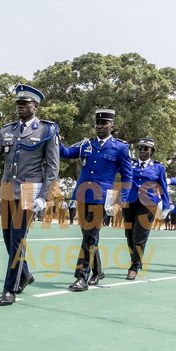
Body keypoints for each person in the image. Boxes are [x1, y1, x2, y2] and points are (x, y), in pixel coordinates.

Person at [0, 84, 60, 305]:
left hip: (30, 192)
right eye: (18, 103)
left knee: (18, 239)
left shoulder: (47, 130)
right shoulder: (8, 130)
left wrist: (44, 196)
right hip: (8, 190)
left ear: (35, 106)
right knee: (8, 238)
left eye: (25, 104)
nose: (20, 107)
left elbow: (52, 168)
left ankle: (10, 289)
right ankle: (24, 274)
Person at [60, 109, 132, 291]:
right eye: (98, 124)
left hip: (102, 198)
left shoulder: (120, 147)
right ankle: (98, 271)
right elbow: (66, 153)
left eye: (104, 124)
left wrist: (119, 201)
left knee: (89, 237)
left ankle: (81, 277)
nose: (100, 126)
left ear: (111, 126)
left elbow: (127, 176)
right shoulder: (86, 144)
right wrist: (57, 141)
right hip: (83, 195)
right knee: (89, 236)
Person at [122, 138, 170, 280]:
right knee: (129, 234)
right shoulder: (130, 164)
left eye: (146, 149)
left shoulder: (159, 167)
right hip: (130, 202)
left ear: (152, 151)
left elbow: (163, 187)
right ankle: (136, 259)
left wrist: (166, 206)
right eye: (140, 148)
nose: (142, 151)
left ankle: (134, 267)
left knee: (140, 235)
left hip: (148, 204)